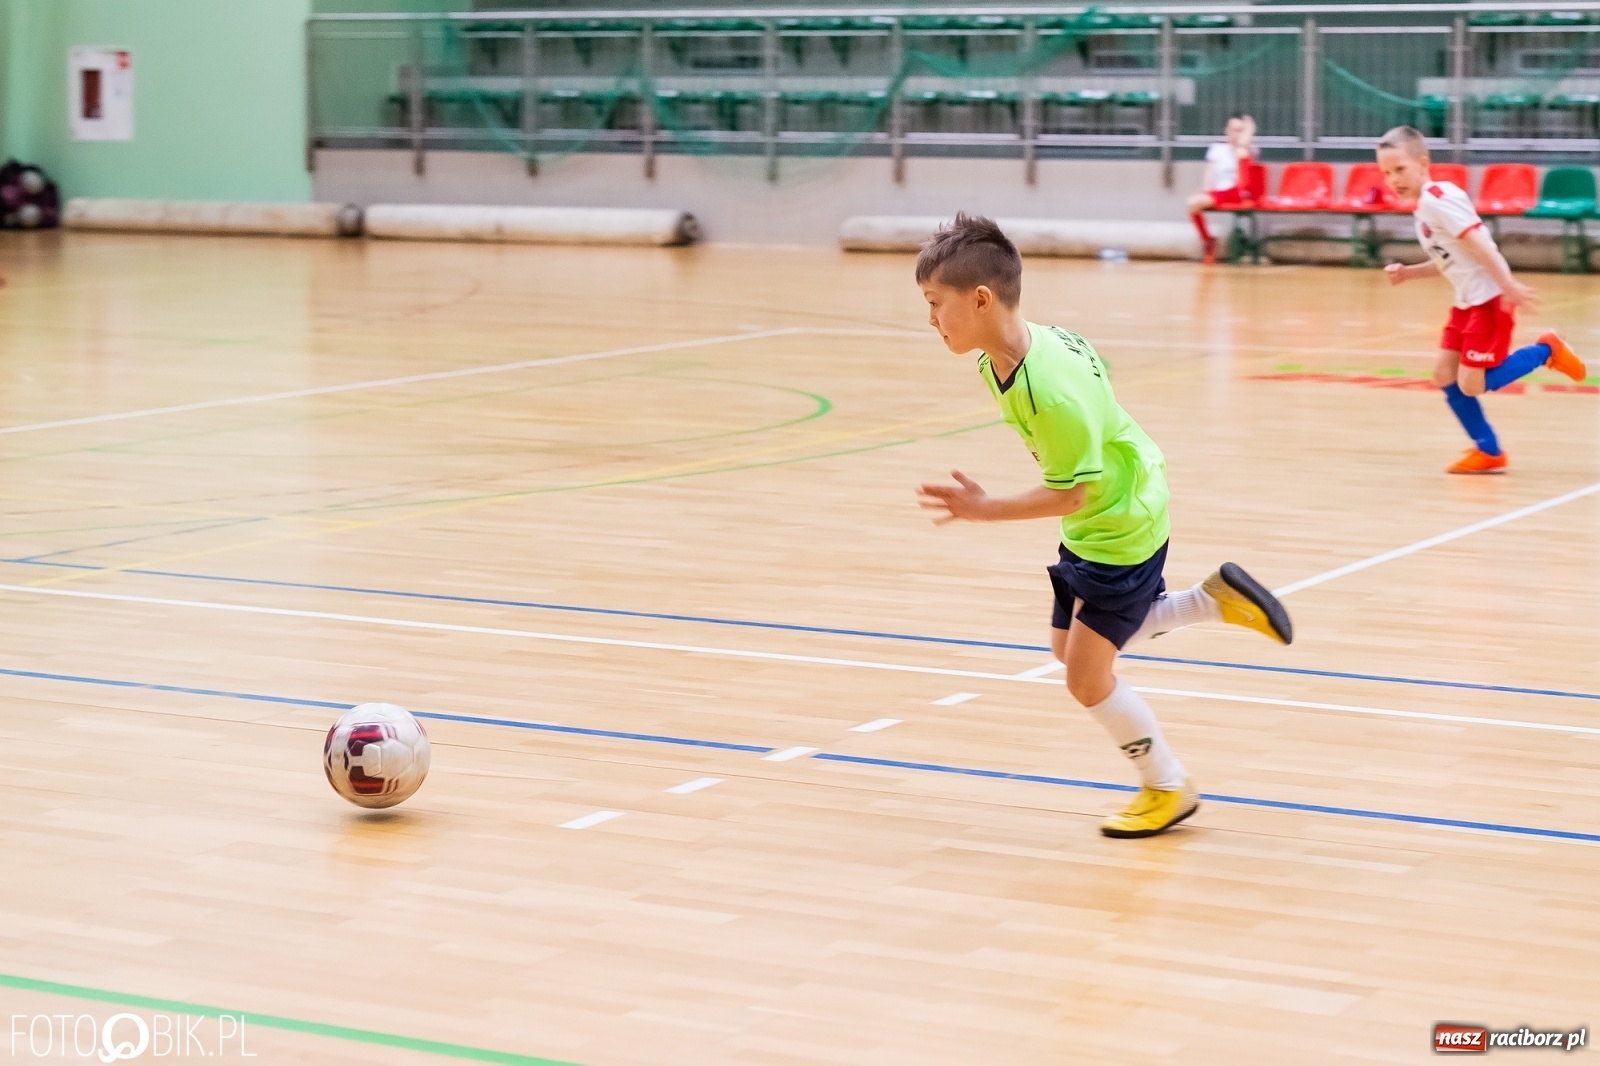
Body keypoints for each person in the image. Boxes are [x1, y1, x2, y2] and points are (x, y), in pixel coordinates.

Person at [914, 213, 1293, 840]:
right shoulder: (1007, 354)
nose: (930, 319)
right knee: (1069, 650)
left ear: (980, 299)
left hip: (1117, 521)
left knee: (1086, 679)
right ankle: (1211, 601)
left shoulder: (1048, 390)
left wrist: (985, 509)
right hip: (1112, 505)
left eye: (935, 304)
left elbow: (1073, 493)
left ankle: (1167, 787)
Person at [1377, 126, 1587, 474]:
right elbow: (1451, 260)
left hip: (1488, 301)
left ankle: (1547, 350)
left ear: (1423, 163)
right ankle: (1488, 451)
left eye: (1400, 169)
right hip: (1466, 303)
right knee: (1445, 373)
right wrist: (1410, 273)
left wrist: (1508, 285)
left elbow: (1479, 243)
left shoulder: (1438, 200)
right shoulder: (1424, 209)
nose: (1393, 179)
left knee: (1471, 382)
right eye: (1386, 172)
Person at [1187, 114, 1258, 265]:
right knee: (1193, 203)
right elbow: (1210, 172)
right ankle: (1208, 241)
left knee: (1242, 152)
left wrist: (1249, 131)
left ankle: (1243, 197)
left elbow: (1245, 151)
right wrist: (1206, 189)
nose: (1236, 134)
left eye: (1240, 130)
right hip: (1220, 193)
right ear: (1226, 130)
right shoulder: (1217, 149)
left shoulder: (1247, 149)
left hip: (1240, 192)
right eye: (1233, 130)